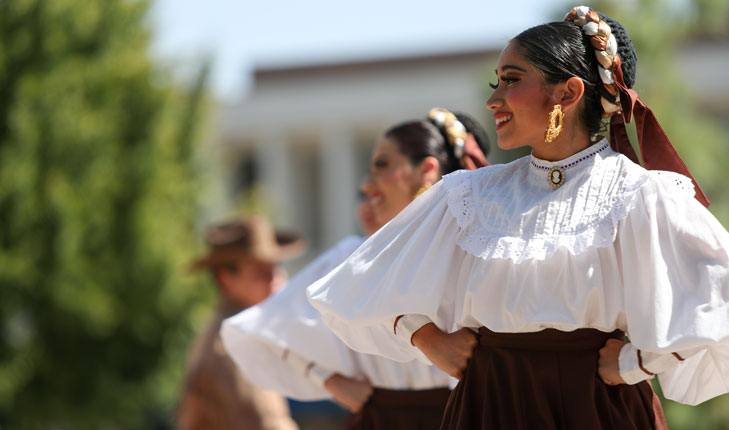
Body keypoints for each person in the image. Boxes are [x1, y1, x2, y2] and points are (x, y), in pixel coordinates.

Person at [307, 6, 729, 430]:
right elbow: (358, 282)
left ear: (567, 93)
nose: (493, 99)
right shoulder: (469, 194)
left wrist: (638, 362)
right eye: (497, 82)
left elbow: (719, 300)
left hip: (598, 407)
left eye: (511, 80)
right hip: (490, 405)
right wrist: (427, 338)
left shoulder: (639, 194)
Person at [221, 108, 490, 429]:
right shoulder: (355, 257)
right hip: (381, 416)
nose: (368, 185)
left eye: (382, 166)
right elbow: (258, 330)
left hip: (466, 415)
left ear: (427, 172)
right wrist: (328, 379)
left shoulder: (478, 255)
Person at [178, 215, 304, 430]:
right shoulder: (233, 343)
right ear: (225, 279)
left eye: (274, 266)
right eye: (260, 270)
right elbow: (266, 424)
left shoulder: (238, 334)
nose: (275, 277)